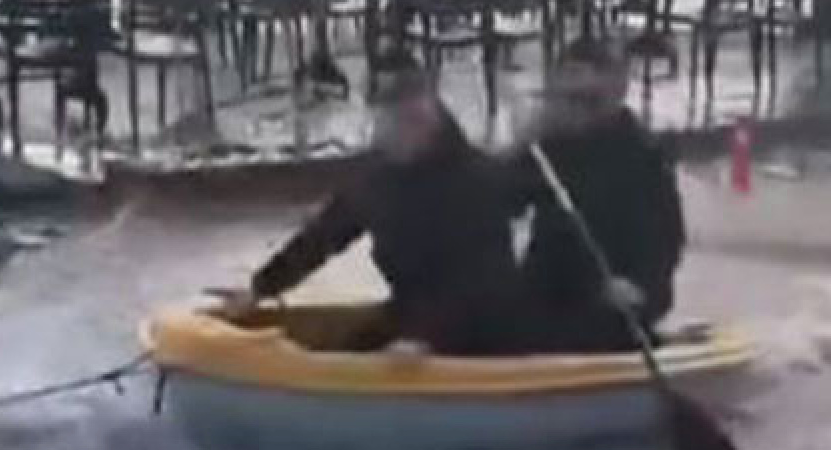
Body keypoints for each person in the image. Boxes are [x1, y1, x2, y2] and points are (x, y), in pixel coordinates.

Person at [218, 67, 527, 356]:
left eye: (410, 121)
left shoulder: (475, 180)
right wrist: (262, 287)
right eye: (388, 124)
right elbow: (324, 234)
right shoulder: (380, 178)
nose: (392, 134)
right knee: (346, 357)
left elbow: (485, 281)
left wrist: (430, 338)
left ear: (430, 121)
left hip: (476, 333)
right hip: (407, 316)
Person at [502, 37, 687, 354]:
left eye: (588, 99)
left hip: (618, 289)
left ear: (615, 92)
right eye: (568, 98)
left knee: (590, 327)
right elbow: (500, 203)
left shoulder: (641, 153)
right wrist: (519, 146)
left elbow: (667, 238)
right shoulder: (548, 146)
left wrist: (640, 288)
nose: (576, 109)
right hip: (551, 285)